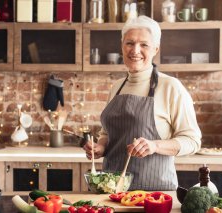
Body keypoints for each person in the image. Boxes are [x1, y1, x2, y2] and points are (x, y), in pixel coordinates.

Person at [83, 16, 201, 191]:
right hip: (111, 192)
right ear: (122, 46)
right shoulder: (116, 87)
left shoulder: (171, 87)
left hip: (154, 194)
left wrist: (155, 146)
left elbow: (192, 141)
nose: (135, 50)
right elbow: (107, 133)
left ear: (156, 49)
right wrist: (100, 147)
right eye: (129, 43)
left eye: (144, 44)